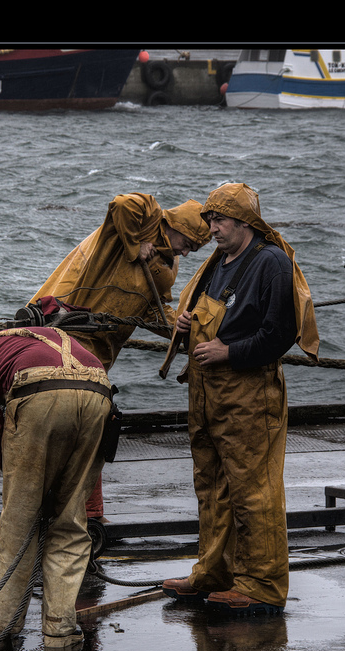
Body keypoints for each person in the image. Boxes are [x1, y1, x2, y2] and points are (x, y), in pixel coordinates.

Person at [160, 182, 319, 615]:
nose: (212, 227)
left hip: (249, 395)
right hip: (210, 395)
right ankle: (214, 572)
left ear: (246, 222)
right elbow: (219, 317)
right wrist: (186, 324)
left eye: (221, 219)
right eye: (209, 219)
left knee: (254, 491)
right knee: (212, 487)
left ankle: (262, 585)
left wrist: (229, 352)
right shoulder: (219, 262)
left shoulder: (269, 262)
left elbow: (279, 333)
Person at [31, 193, 211, 519]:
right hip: (60, 330)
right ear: (176, 225)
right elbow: (122, 204)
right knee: (77, 423)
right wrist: (135, 244)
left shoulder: (168, 267)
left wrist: (192, 335)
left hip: (95, 355)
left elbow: (154, 312)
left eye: (195, 249)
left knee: (90, 426)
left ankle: (85, 511)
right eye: (189, 243)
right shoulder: (145, 218)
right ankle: (80, 511)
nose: (187, 251)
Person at [0, 326, 115, 651]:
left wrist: (29, 482)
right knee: (70, 523)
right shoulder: (20, 339)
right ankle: (60, 632)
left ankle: (4, 628)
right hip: (99, 388)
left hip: (40, 391)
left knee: (18, 524)